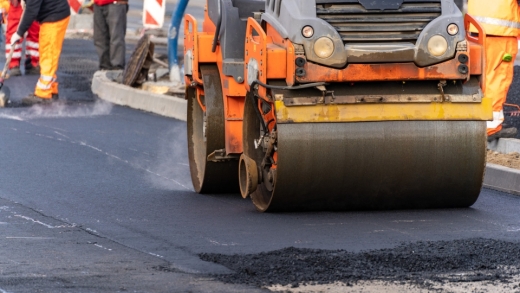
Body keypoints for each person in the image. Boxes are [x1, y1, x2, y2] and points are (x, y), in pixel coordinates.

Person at [468, 0, 519, 141]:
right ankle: (491, 126)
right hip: (501, 32)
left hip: (476, 28)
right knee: (497, 78)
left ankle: (475, 121)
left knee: (480, 77)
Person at [10, 0, 70, 105]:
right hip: (51, 15)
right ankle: (51, 89)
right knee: (45, 53)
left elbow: (31, 11)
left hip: (54, 17)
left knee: (48, 54)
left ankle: (44, 92)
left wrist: (19, 33)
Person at [5, 0, 40, 77]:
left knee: (35, 30)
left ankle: (33, 62)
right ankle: (14, 65)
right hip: (16, 3)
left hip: (33, 3)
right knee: (14, 31)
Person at [93, 0, 127, 70]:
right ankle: (105, 66)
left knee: (116, 37)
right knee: (100, 38)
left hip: (117, 3)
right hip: (98, 3)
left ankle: (117, 68)